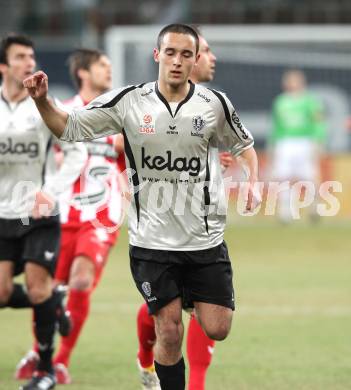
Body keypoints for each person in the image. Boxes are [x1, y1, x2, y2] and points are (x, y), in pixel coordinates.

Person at [23, 24, 260, 390]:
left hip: (204, 241)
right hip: (151, 242)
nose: (177, 61)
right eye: (170, 53)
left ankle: (183, 302)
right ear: (157, 55)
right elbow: (66, 127)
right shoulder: (129, 101)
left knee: (218, 327)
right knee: (169, 330)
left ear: (194, 59)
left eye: (186, 55)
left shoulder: (214, 104)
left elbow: (243, 144)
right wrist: (42, 100)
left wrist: (253, 184)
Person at [16, 48, 126, 385]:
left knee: (79, 282)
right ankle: (41, 351)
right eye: (102, 65)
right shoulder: (60, 111)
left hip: (102, 216)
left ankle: (60, 361)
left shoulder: (119, 116)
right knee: (45, 289)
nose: (109, 70)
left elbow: (131, 161)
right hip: (62, 213)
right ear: (83, 72)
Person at [135, 29, 234, 390]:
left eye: (200, 51)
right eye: (206, 51)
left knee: (203, 321)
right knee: (169, 319)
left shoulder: (212, 105)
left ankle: (154, 360)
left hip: (202, 229)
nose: (211, 58)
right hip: (159, 233)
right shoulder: (144, 106)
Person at [0, 34, 87, 390]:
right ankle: (56, 301)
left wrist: (50, 193)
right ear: (3, 66)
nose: (27, 62)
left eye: (31, 56)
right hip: (3, 215)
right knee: (2, 293)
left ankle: (46, 371)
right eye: (20, 57)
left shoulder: (44, 106)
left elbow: (78, 152)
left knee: (36, 291)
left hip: (37, 216)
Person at [269, 69, 326, 223]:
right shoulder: (280, 102)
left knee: (309, 176)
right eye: (289, 80)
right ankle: (285, 212)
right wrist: (273, 145)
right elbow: (276, 127)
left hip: (305, 141)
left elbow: (318, 123)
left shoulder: (310, 102)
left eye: (294, 80)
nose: (291, 83)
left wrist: (318, 140)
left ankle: (315, 208)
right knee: (283, 177)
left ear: (302, 83)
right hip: (285, 142)